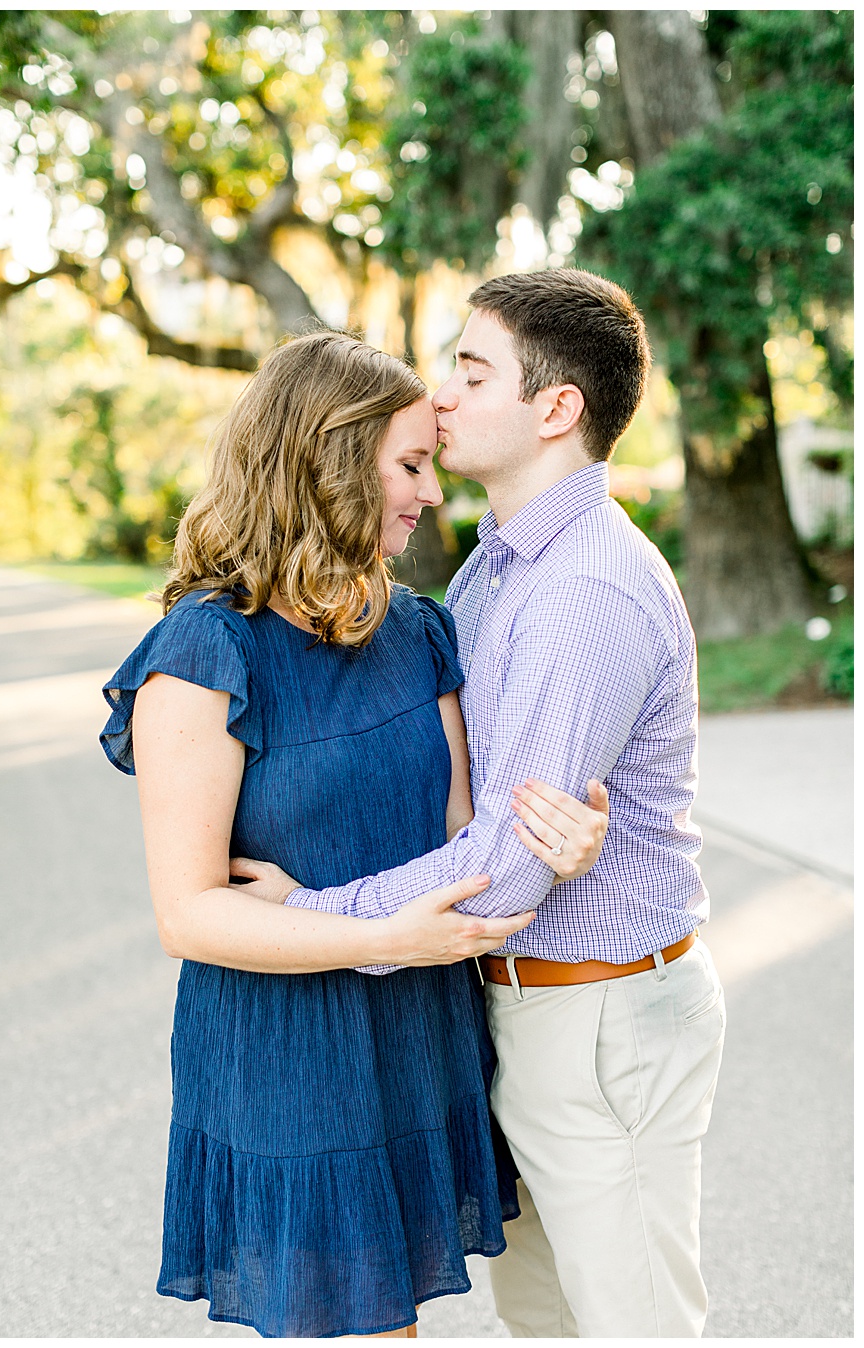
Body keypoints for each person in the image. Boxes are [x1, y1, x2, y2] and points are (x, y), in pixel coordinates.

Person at [100, 330, 611, 1337]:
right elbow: (188, 913)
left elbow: (470, 836)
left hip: (420, 1038)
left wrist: (565, 846)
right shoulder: (208, 649)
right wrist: (383, 936)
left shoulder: (418, 628)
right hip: (295, 1059)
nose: (430, 494)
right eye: (410, 465)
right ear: (329, 458)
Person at [247, 271, 723, 1338]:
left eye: (473, 371)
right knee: (547, 1323)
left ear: (556, 408)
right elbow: (473, 799)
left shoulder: (583, 588)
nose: (442, 394)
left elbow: (504, 867)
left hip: (597, 1015)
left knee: (638, 1323)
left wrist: (306, 912)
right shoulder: (492, 575)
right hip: (517, 1011)